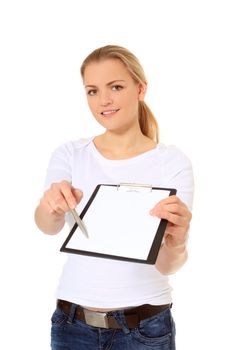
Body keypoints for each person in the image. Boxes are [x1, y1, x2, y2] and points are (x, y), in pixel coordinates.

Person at [35, 44, 194, 350]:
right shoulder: (70, 154)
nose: (103, 100)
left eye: (116, 87)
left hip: (145, 329)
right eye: (92, 91)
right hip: (72, 326)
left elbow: (168, 264)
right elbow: (47, 225)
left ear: (140, 89)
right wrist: (51, 206)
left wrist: (179, 241)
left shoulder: (172, 163)